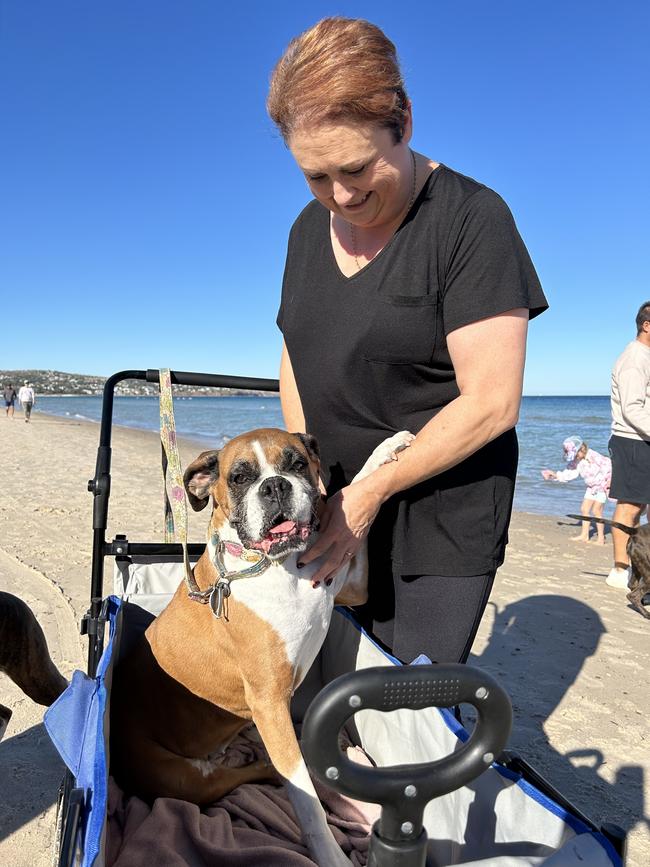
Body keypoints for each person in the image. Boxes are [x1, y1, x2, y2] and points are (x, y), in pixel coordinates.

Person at [267, 17, 548, 664]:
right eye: (315, 176)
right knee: (321, 689)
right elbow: (295, 356)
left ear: (405, 121)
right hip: (332, 503)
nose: (341, 195)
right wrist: (311, 478)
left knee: (396, 719)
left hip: (439, 519)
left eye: (357, 166)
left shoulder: (472, 220)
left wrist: (366, 496)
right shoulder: (305, 232)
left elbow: (491, 403)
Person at [606, 301, 650, 588]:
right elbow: (632, 410)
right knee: (630, 505)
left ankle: (639, 566)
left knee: (641, 505)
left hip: (642, 440)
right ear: (646, 325)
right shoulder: (635, 358)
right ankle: (620, 570)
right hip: (632, 440)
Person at [541, 436, 612, 544]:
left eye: (576, 454)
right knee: (584, 509)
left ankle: (601, 538)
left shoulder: (593, 455)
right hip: (591, 487)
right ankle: (584, 535)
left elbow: (608, 466)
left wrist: (609, 480)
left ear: (582, 449)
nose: (576, 457)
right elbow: (569, 473)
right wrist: (554, 475)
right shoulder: (577, 461)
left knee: (597, 511)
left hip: (601, 486)